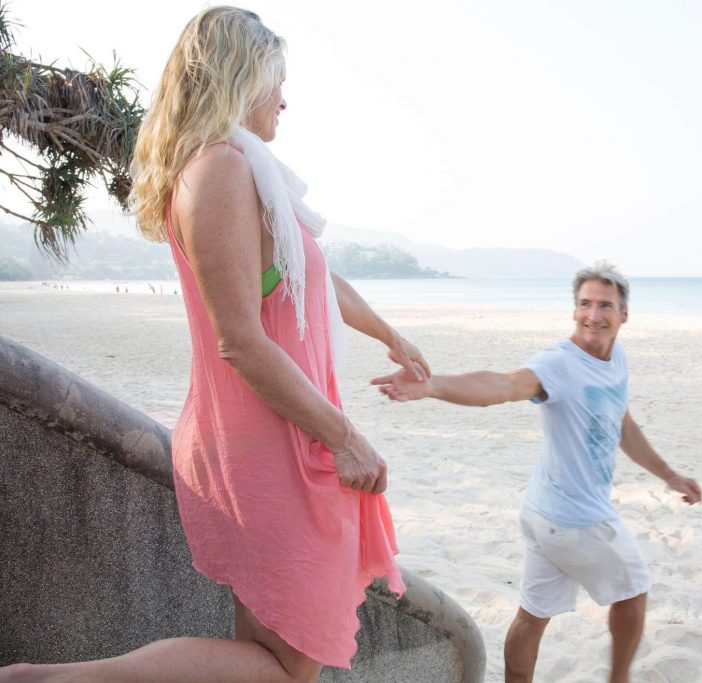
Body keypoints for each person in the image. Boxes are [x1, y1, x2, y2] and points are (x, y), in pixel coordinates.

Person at [0, 7, 426, 683]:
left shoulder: (241, 171)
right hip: (263, 441)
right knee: (288, 670)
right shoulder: (221, 168)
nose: (285, 98)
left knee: (264, 661)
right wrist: (343, 435)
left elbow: (311, 279)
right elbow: (241, 342)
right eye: (276, 79)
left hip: (271, 434)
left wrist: (389, 335)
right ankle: (44, 680)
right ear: (241, 74)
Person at [372, 262, 702, 683]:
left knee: (533, 616)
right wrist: (434, 385)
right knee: (633, 592)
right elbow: (502, 385)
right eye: (584, 304)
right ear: (573, 311)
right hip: (574, 519)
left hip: (542, 513)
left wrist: (669, 475)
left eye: (605, 305)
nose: (593, 315)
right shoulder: (560, 364)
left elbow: (623, 425)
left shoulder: (615, 358)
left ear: (624, 314)